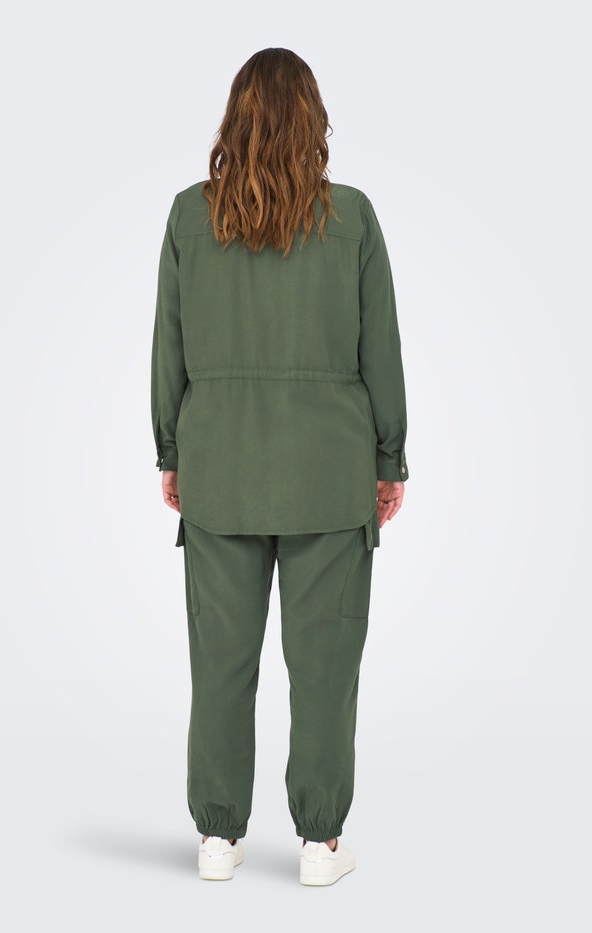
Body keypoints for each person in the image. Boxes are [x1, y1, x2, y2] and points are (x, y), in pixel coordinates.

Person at [150, 47, 409, 886]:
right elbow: (382, 349)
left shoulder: (190, 217)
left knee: (220, 666)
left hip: (220, 469)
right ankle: (319, 844)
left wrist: (171, 450)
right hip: (329, 474)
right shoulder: (352, 218)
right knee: (325, 668)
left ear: (235, 119)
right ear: (313, 121)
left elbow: (168, 347)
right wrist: (390, 457)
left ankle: (217, 838)